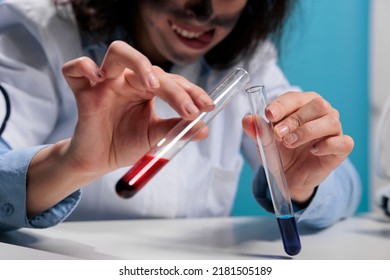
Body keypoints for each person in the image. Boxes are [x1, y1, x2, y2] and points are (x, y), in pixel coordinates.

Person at [0, 0, 361, 231]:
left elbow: (346, 187)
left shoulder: (247, 63)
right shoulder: (36, 33)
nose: (205, 13)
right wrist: (73, 164)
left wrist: (301, 182)